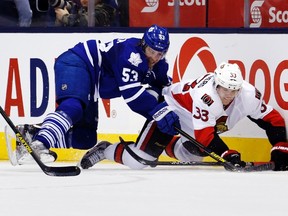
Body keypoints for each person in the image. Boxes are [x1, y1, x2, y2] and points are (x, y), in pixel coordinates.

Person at [13, 24, 180, 165]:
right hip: (78, 61)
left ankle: (29, 134)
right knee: (73, 106)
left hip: (92, 83)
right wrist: (160, 112)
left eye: (160, 53)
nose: (154, 57)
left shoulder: (158, 66)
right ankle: (40, 143)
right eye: (151, 51)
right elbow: (133, 96)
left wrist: (168, 105)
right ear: (144, 44)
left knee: (85, 138)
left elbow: (164, 87)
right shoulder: (131, 55)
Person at [80, 62, 288, 171]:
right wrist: (228, 154)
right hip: (170, 109)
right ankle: (106, 150)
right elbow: (206, 136)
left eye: (233, 90)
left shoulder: (248, 95)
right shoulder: (205, 97)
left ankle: (168, 144)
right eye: (225, 89)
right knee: (140, 161)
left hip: (195, 124)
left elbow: (274, 121)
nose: (228, 95)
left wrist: (281, 148)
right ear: (216, 84)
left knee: (192, 154)